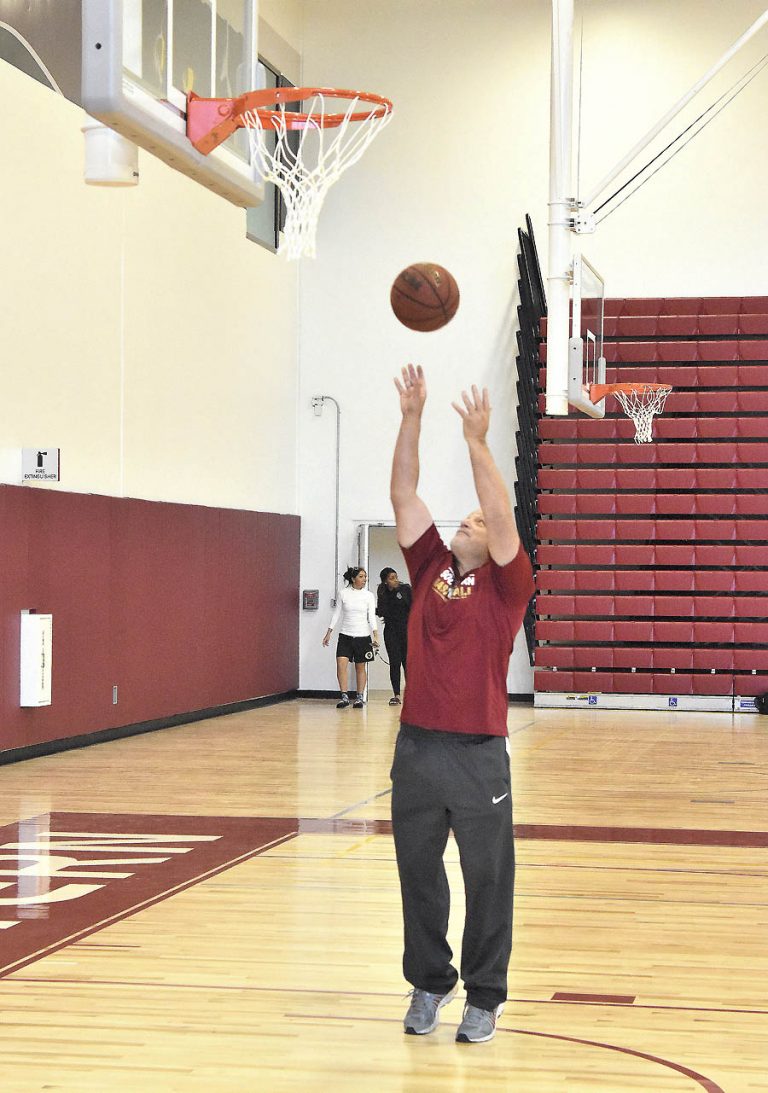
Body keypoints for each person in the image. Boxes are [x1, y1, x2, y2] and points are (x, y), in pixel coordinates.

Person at [389, 363, 534, 1044]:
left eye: (476, 520)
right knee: (418, 875)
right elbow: (403, 493)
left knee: (486, 879)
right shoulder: (427, 571)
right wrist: (411, 417)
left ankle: (486, 993)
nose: (469, 520)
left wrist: (478, 443)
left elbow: (502, 515)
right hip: (417, 748)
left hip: (479, 754)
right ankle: (429, 981)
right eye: (467, 516)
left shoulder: (508, 588)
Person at [322, 567, 379, 709]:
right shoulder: (343, 593)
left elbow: (371, 617)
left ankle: (359, 697)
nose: (364, 579)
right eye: (361, 576)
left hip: (363, 636)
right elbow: (336, 614)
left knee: (360, 667)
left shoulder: (369, 596)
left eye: (365, 577)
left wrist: (375, 635)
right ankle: (344, 696)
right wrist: (329, 632)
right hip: (345, 635)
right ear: (353, 579)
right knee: (341, 664)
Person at [376, 567, 412, 706]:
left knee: (407, 663)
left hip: (406, 630)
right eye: (391, 578)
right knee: (395, 662)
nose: (395, 580)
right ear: (385, 581)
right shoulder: (383, 593)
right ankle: (396, 695)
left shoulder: (405, 589)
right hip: (391, 631)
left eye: (396, 577)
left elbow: (413, 607)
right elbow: (381, 611)